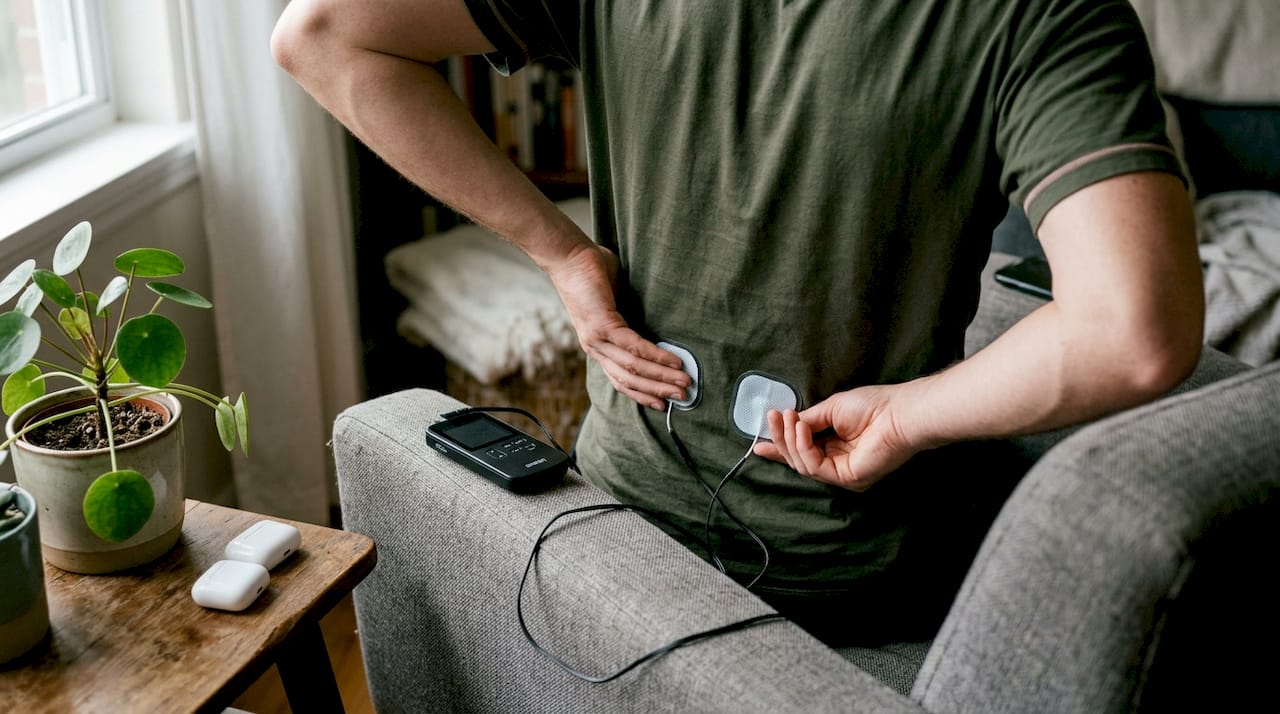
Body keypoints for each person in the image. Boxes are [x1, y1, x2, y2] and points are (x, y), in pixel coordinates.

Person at [271, 0, 1205, 646]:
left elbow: (320, 35)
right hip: (856, 590)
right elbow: (1134, 331)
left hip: (606, 544)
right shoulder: (1047, 16)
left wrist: (559, 251)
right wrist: (903, 416)